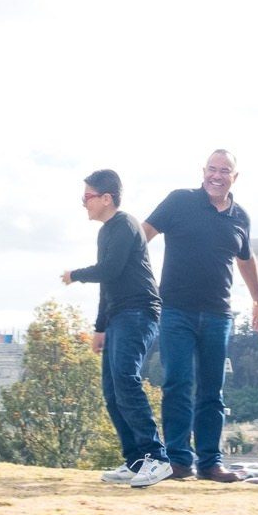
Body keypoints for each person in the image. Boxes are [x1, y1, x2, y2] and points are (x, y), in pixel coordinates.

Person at [143, 149, 258, 483]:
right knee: (177, 383)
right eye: (212, 169)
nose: (217, 175)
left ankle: (211, 463)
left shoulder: (240, 216)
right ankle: (179, 461)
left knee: (213, 390)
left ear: (234, 177)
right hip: (175, 310)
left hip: (218, 314)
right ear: (203, 172)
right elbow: (141, 236)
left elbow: (246, 258)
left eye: (224, 170)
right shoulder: (179, 201)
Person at [61, 169, 171, 488]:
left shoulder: (124, 224)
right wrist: (100, 327)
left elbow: (109, 268)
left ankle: (157, 458)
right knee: (112, 390)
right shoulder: (106, 232)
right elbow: (108, 284)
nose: (84, 204)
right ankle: (136, 461)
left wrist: (75, 274)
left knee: (125, 378)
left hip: (139, 312)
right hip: (119, 314)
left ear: (106, 198)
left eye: (87, 197)